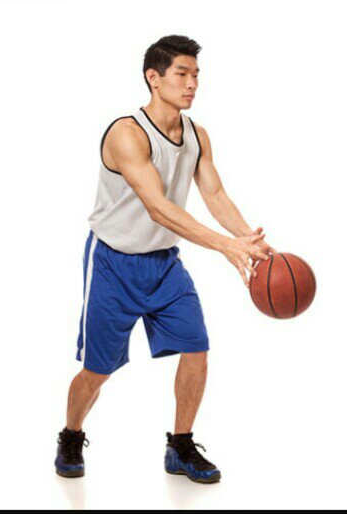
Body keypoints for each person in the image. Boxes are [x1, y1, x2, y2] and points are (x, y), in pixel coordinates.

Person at [56, 35, 275, 484]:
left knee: (197, 349)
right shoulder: (127, 134)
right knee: (97, 371)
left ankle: (180, 445)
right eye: (182, 73)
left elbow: (214, 194)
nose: (192, 83)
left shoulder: (197, 135)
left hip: (164, 265)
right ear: (153, 78)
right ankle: (71, 434)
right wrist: (225, 247)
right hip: (113, 264)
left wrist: (247, 240)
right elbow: (158, 207)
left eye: (196, 75)